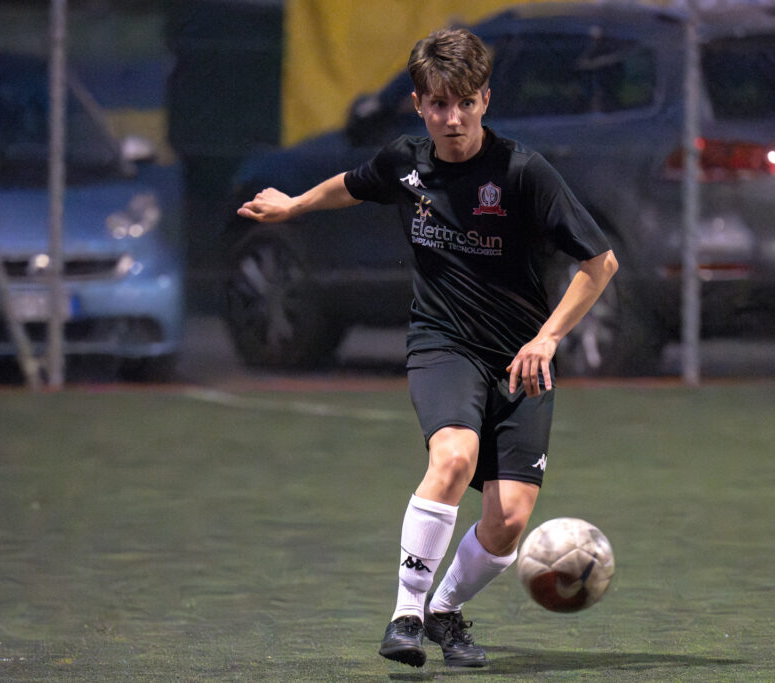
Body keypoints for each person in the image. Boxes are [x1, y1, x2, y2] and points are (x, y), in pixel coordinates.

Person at [238, 27, 618, 669]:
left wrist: (547, 339)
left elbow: (600, 263)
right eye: (438, 104)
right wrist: (295, 204)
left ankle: (443, 610)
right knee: (453, 455)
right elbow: (354, 183)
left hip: (521, 359)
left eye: (464, 103)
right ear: (419, 104)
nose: (452, 118)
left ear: (484, 100)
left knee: (508, 524)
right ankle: (405, 615)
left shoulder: (523, 172)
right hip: (444, 346)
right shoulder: (405, 162)